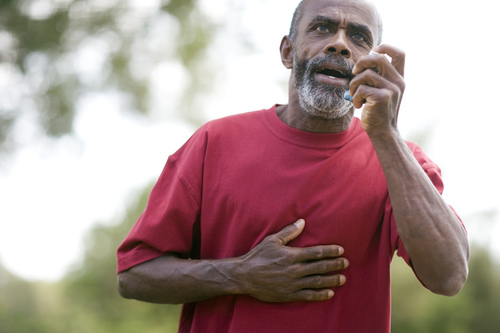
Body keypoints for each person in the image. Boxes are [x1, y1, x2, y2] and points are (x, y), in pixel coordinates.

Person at [116, 0, 469, 332]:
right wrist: (240, 274)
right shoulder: (215, 143)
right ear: (287, 51)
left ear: (375, 63)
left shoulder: (400, 160)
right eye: (322, 28)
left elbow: (449, 277)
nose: (340, 45)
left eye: (359, 37)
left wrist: (387, 133)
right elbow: (134, 274)